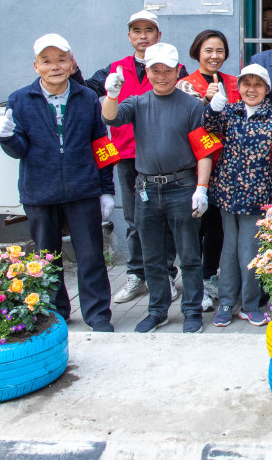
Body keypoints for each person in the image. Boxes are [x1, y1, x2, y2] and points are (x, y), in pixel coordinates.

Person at [0, 33, 115, 332]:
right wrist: (6, 138)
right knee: (47, 258)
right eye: (47, 61)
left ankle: (98, 315)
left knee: (91, 255)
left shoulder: (87, 97)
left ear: (72, 63)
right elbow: (19, 150)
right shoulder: (20, 99)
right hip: (39, 192)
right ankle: (56, 312)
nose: (55, 66)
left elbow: (102, 144)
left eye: (61, 60)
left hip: (83, 189)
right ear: (36, 66)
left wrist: (106, 190)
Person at [102, 43, 215, 334]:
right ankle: (157, 311)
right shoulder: (138, 103)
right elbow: (110, 117)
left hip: (182, 186)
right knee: (151, 256)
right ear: (148, 71)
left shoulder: (192, 105)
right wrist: (111, 95)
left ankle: (192, 310)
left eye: (167, 70)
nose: (161, 75)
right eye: (155, 70)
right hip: (147, 188)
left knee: (189, 255)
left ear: (178, 71)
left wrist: (201, 188)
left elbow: (204, 151)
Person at [84, 10, 183, 306]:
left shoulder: (175, 68)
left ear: (158, 35)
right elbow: (83, 89)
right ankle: (136, 274)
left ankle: (165, 273)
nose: (143, 36)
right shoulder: (115, 69)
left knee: (164, 218)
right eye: (137, 31)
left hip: (164, 155)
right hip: (127, 155)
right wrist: (73, 71)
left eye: (149, 30)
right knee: (134, 218)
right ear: (129, 36)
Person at [203, 64, 272, 327]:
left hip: (258, 198)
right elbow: (209, 126)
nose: (251, 89)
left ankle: (250, 304)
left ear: (266, 89)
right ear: (239, 87)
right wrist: (213, 107)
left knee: (250, 252)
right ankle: (226, 302)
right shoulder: (230, 111)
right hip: (228, 195)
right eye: (246, 84)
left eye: (258, 84)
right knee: (228, 251)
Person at [176, 29, 241, 312]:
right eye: (208, 50)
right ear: (197, 52)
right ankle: (194, 283)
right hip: (195, 165)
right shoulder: (185, 84)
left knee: (216, 226)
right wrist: (204, 102)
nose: (215, 56)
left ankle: (209, 275)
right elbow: (182, 121)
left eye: (220, 51)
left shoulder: (234, 82)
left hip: (227, 166)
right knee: (195, 227)